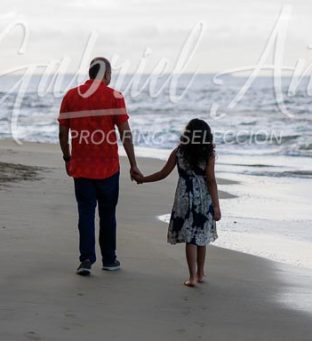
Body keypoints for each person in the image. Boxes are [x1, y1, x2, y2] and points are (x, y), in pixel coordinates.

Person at [58, 57, 143, 276]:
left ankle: (86, 259)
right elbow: (125, 132)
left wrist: (67, 158)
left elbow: (63, 132)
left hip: (81, 167)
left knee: (85, 213)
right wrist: (134, 164)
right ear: (106, 75)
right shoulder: (114, 96)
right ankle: (109, 259)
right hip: (108, 168)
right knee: (107, 214)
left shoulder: (71, 96)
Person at [136, 118, 221, 287]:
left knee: (190, 237)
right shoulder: (208, 154)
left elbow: (163, 173)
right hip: (203, 198)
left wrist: (143, 179)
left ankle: (192, 277)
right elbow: (211, 180)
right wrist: (217, 205)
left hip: (184, 197)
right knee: (201, 235)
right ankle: (201, 272)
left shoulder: (179, 152)